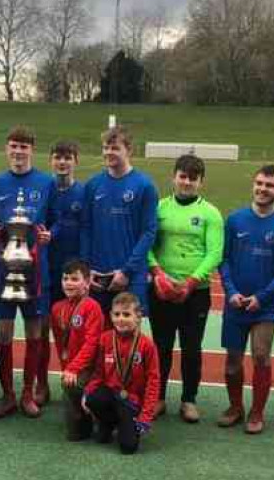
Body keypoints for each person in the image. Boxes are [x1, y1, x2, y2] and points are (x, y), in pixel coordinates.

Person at [218, 165, 274, 434]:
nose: (263, 189)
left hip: (266, 307)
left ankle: (257, 411)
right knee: (232, 362)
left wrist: (261, 298)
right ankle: (235, 407)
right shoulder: (235, 220)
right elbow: (224, 260)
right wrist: (231, 291)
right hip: (235, 303)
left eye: (270, 185)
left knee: (261, 355)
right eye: (260, 183)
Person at [147, 154, 224, 423]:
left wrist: (191, 282)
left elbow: (215, 252)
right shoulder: (158, 208)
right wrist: (157, 274)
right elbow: (147, 244)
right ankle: (157, 398)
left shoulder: (210, 213)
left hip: (196, 293)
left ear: (201, 182)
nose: (187, 182)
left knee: (192, 348)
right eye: (183, 176)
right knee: (161, 347)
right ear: (174, 177)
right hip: (161, 290)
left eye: (193, 178)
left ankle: (188, 400)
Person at [0, 125, 56, 419]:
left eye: (24, 147)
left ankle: (28, 392)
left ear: (32, 150)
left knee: (35, 332)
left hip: (35, 269)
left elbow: (56, 220)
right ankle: (8, 395)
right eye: (14, 146)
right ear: (7, 149)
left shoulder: (46, 182)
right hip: (4, 268)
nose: (18, 152)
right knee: (2, 332)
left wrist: (48, 235)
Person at [81, 125, 158, 317]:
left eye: (115, 148)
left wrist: (127, 271)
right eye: (106, 147)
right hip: (97, 276)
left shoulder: (144, 185)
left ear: (129, 150)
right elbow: (86, 228)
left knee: (128, 338)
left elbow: (148, 232)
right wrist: (86, 268)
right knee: (97, 338)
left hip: (130, 277)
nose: (109, 152)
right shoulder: (92, 185)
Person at [82, 292, 161, 455]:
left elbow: (153, 382)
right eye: (117, 314)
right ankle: (108, 423)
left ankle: (126, 423)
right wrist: (87, 393)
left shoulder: (147, 345)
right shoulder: (105, 339)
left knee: (128, 447)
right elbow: (98, 373)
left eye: (126, 314)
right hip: (111, 394)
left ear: (138, 317)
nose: (121, 319)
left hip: (131, 401)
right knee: (93, 399)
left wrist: (146, 416)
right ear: (111, 316)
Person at [42, 141, 85, 406]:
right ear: (50, 160)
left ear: (76, 161)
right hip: (47, 270)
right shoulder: (44, 190)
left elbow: (89, 228)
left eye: (67, 157)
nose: (62, 162)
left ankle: (78, 381)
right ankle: (43, 383)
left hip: (75, 273)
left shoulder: (85, 191)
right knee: (47, 329)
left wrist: (85, 267)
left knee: (78, 331)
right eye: (58, 157)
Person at [50, 260, 104, 441]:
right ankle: (81, 420)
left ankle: (97, 417)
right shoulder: (57, 308)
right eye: (65, 278)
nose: (68, 283)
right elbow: (60, 343)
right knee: (73, 435)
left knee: (71, 384)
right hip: (73, 366)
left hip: (93, 367)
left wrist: (73, 368)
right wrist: (67, 367)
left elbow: (92, 343)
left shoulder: (92, 307)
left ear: (87, 283)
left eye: (75, 279)